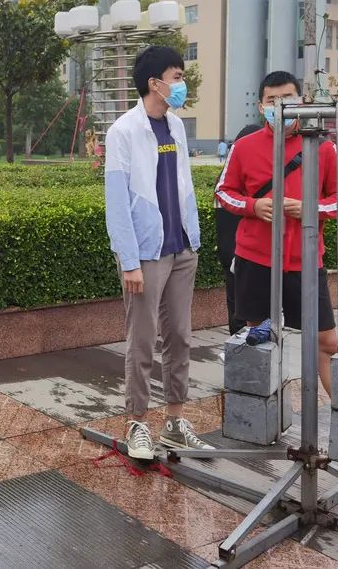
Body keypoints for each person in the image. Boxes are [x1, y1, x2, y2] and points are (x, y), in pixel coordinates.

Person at [216, 71, 338, 397]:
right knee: (258, 339)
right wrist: (253, 206)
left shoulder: (324, 149)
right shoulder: (244, 147)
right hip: (255, 258)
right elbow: (223, 192)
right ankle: (259, 414)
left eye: (288, 99)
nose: (279, 106)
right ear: (260, 105)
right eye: (272, 100)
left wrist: (310, 208)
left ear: (302, 102)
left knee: (326, 341)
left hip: (304, 261)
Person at [105, 45, 212, 460]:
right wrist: (129, 261)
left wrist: (193, 237)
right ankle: (137, 423)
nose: (182, 84)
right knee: (143, 340)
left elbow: (183, 185)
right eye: (177, 77)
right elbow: (117, 203)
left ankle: (174, 423)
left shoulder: (176, 126)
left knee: (180, 337)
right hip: (147, 254)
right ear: (155, 83)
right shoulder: (124, 131)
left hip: (181, 247)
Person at [215, 124, 263, 336]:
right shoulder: (231, 185)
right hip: (241, 257)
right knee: (244, 314)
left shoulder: (229, 180)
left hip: (235, 257)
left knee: (238, 309)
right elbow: (227, 224)